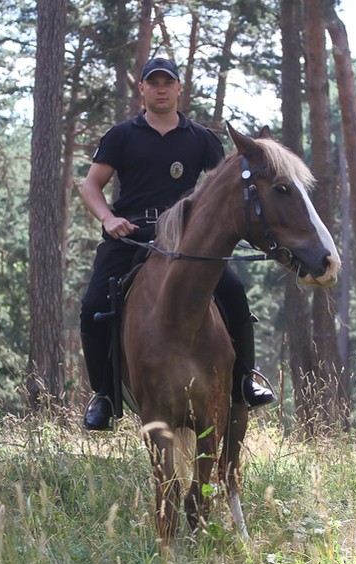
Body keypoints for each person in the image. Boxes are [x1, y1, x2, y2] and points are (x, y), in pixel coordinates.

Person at [78, 57, 274, 431]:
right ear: (142, 89)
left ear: (179, 88)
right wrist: (108, 219)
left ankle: (245, 381)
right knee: (92, 308)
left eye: (167, 82)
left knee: (234, 293)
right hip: (129, 237)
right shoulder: (121, 135)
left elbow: (224, 187)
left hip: (186, 242)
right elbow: (90, 186)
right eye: (153, 83)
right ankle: (104, 395)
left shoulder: (201, 138)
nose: (161, 89)